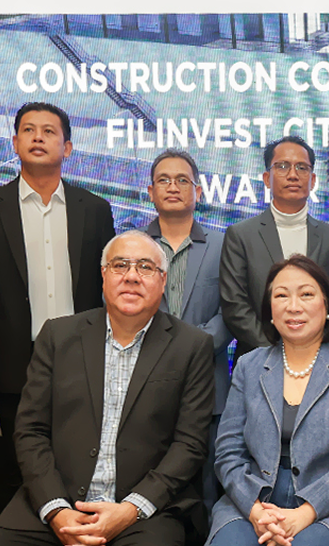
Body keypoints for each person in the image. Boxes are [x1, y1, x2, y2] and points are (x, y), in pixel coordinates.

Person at [0, 231, 215, 546]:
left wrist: (131, 509)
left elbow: (190, 445)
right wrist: (57, 510)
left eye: (145, 267)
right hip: (55, 503)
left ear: (163, 280)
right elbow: (30, 431)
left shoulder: (192, 346)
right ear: (103, 275)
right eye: (120, 265)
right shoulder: (58, 336)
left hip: (145, 512)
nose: (131, 276)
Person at [0, 102, 117, 512]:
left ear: (68, 147)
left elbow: (109, 289)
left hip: (83, 357)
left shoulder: (95, 209)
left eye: (49, 131)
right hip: (13, 360)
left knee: (80, 460)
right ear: (14, 143)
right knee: (20, 464)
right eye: (29, 130)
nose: (38, 138)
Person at [208, 255, 329, 546]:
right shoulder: (249, 365)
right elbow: (227, 452)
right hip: (253, 502)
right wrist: (256, 512)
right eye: (281, 296)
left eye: (306, 294)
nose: (293, 306)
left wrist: (305, 513)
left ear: (327, 305)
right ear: (270, 311)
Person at [141, 148, 233, 535]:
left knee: (211, 488)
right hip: (147, 385)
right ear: (150, 191)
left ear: (198, 190)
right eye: (164, 180)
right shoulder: (132, 247)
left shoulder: (224, 244)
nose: (173, 187)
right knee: (150, 488)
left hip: (208, 385)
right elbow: (122, 310)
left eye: (183, 180)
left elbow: (231, 312)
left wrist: (185, 350)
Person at [220, 136, 329, 361]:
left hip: (322, 362)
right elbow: (234, 306)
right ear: (266, 179)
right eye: (282, 166)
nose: (293, 175)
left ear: (313, 180)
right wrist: (277, 352)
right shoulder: (240, 235)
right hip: (258, 360)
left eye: (302, 167)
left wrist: (315, 352)